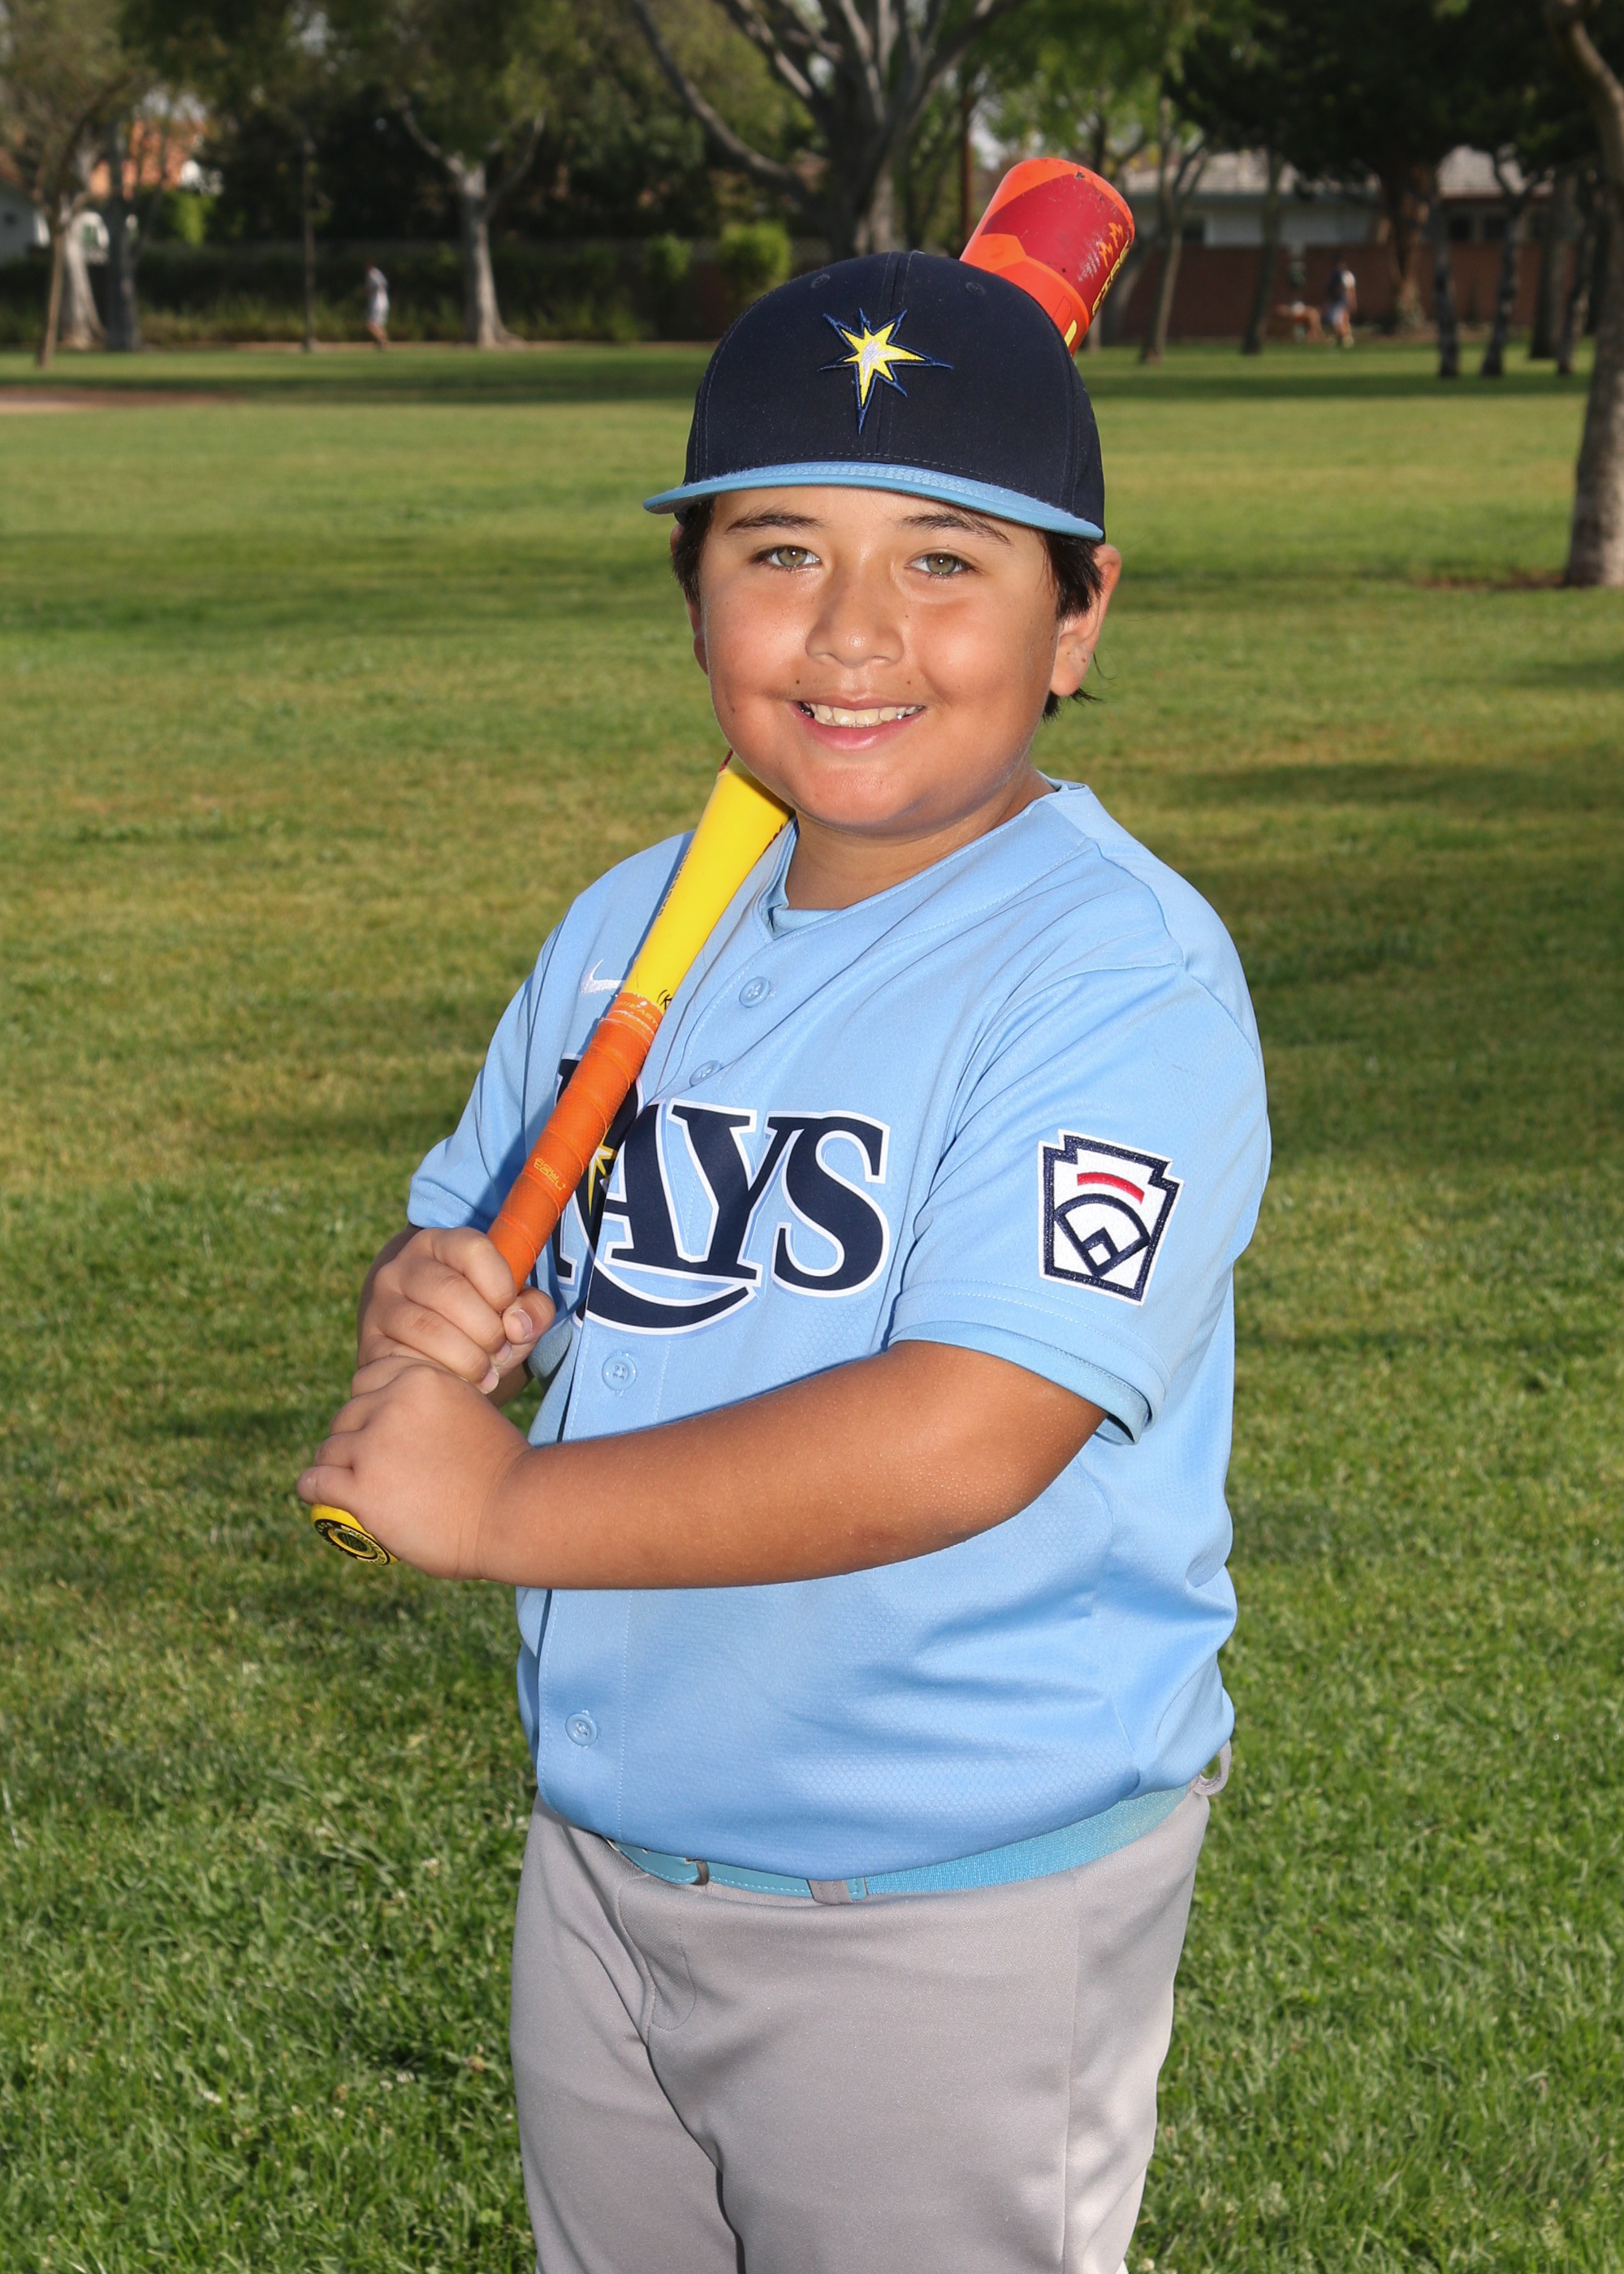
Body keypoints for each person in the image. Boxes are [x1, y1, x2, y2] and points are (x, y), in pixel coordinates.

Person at [300, 249, 1270, 2274]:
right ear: (692, 596)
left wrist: (501, 1507)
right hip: (615, 1842)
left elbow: (965, 1432)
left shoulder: (1113, 976)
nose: (852, 632)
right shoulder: (628, 927)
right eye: (778, 552)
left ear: (1079, 616)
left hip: (955, 1892)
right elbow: (482, 1230)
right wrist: (436, 1299)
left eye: (945, 562)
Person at [1322, 262, 1357, 348]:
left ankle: (1346, 338)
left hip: (1341, 302)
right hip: (1336, 302)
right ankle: (1341, 338)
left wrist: (1351, 301)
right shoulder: (1334, 276)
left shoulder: (1346, 276)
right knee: (1337, 321)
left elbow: (1350, 290)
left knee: (1341, 321)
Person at [364, 262, 389, 350]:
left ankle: (382, 340)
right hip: (384, 301)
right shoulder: (378, 273)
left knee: (370, 324)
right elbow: (384, 283)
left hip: (376, 302)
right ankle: (382, 343)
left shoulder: (372, 274)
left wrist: (368, 291)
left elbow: (377, 285)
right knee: (379, 324)